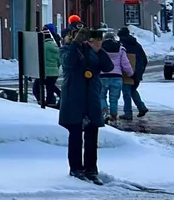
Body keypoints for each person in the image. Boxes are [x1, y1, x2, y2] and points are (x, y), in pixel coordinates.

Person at [58, 27, 113, 184]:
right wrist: (75, 44)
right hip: (74, 98)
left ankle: (91, 169)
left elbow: (108, 67)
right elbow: (68, 63)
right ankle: (76, 168)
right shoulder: (66, 50)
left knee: (91, 136)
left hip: (91, 98)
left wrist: (99, 50)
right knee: (75, 136)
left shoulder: (93, 51)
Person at [100, 32, 133, 122]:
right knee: (114, 99)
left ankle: (104, 112)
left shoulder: (100, 48)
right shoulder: (120, 49)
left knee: (101, 96)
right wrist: (130, 73)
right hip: (117, 76)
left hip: (102, 75)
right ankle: (113, 116)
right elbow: (125, 64)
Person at [117, 27, 149, 118]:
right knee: (133, 90)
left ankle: (128, 113)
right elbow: (145, 59)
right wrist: (140, 71)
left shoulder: (122, 45)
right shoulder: (137, 44)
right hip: (138, 72)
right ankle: (141, 107)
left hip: (127, 72)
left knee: (126, 92)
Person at [34, 25, 61, 106]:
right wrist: (56, 67)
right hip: (54, 71)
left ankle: (43, 102)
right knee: (50, 88)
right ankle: (51, 102)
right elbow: (59, 60)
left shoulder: (42, 46)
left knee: (36, 88)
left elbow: (38, 58)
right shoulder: (56, 45)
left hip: (44, 71)